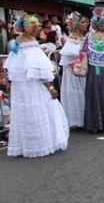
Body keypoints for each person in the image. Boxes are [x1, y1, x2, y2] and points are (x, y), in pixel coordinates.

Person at [4, 14, 69, 157]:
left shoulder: (17, 46)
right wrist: (51, 88)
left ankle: (28, 146)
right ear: (31, 29)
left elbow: (11, 73)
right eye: (35, 26)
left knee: (26, 115)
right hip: (34, 89)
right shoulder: (32, 48)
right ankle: (41, 144)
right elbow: (41, 72)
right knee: (40, 112)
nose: (37, 29)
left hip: (21, 90)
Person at [59, 12, 89, 128]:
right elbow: (70, 54)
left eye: (86, 22)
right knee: (76, 94)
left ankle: (84, 118)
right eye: (82, 22)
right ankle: (76, 120)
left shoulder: (83, 37)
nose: (85, 24)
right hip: (73, 73)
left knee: (83, 93)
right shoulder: (72, 38)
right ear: (76, 25)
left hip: (82, 70)